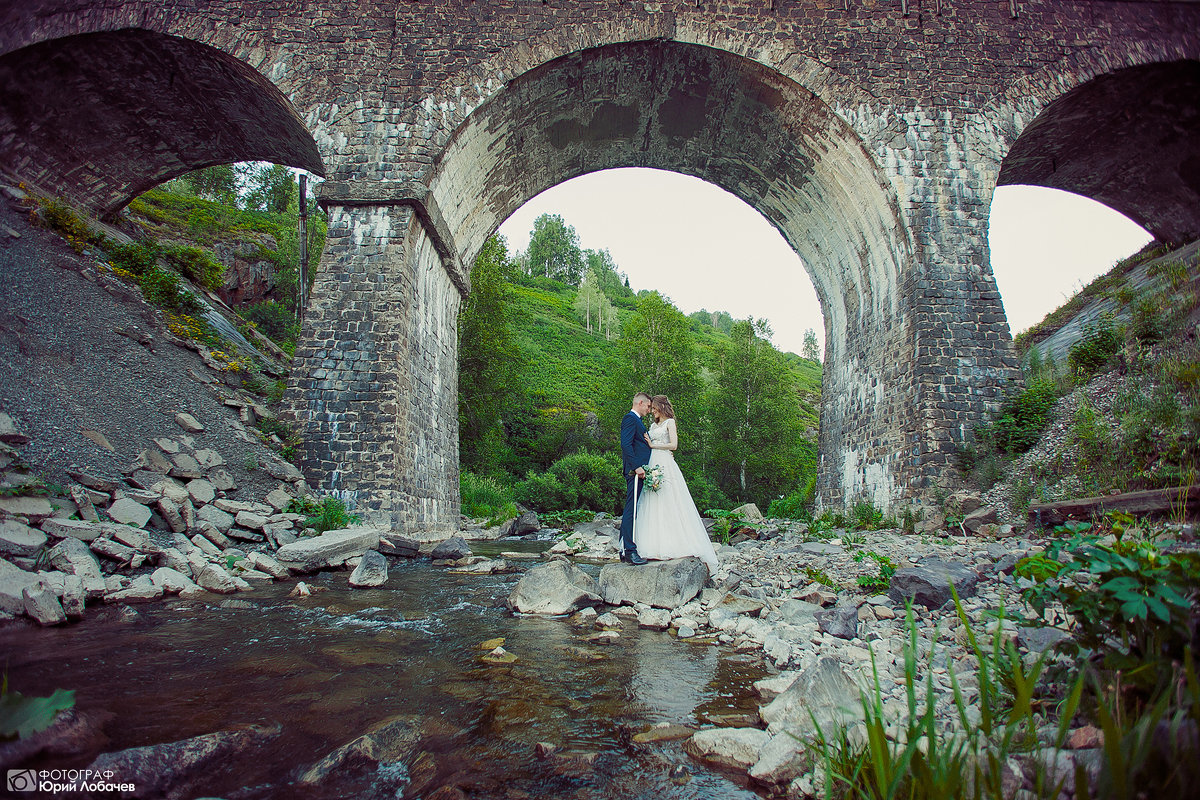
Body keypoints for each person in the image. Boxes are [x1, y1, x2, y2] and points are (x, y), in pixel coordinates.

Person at [634, 395, 720, 573]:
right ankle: (651, 545)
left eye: (655, 408)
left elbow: (674, 445)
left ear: (661, 407)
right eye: (651, 409)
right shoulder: (652, 426)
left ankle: (675, 543)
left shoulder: (670, 422)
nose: (653, 411)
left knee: (669, 499)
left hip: (665, 462)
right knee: (652, 500)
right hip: (652, 463)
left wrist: (653, 446)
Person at [619, 392, 653, 565]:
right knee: (631, 510)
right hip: (636, 472)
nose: (649, 410)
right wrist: (636, 467)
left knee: (632, 508)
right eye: (648, 406)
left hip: (639, 472)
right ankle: (630, 551)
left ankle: (622, 549)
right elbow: (625, 444)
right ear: (640, 403)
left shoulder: (637, 420)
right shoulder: (630, 419)